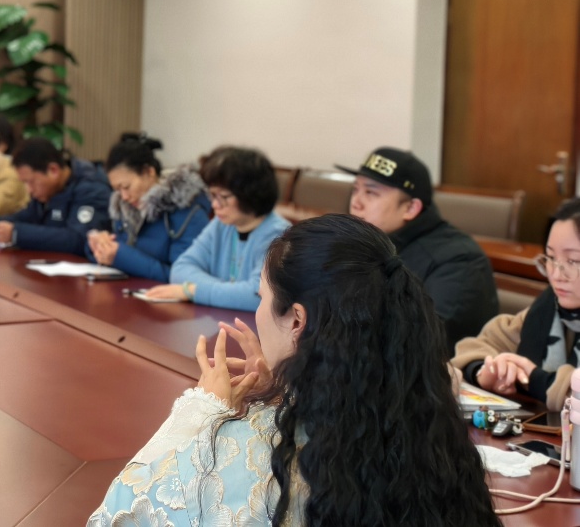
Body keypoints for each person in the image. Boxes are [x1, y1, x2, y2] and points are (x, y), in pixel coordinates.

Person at [89, 214, 500, 527]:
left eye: (261, 297)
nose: (257, 312)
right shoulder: (429, 430)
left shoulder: (240, 451)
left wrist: (198, 413)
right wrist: (289, 390)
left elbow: (116, 516)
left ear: (297, 320)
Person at [339, 146, 497, 352]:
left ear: (411, 208)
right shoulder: (364, 242)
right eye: (355, 189)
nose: (356, 203)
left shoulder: (460, 261)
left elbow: (426, 342)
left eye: (371, 192)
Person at [453, 197, 580, 411]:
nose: (557, 275)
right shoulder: (550, 308)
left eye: (573, 261)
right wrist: (486, 371)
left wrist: (535, 380)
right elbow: (480, 344)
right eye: (550, 258)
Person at [145, 146, 289, 310]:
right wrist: (230, 293)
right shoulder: (221, 225)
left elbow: (259, 296)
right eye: (212, 195)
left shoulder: (279, 236)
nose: (214, 205)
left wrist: (192, 291)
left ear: (250, 194)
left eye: (224, 197)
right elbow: (180, 269)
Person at [86, 134, 211, 282]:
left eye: (126, 187)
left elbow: (184, 277)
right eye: (117, 190)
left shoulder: (187, 211)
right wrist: (98, 245)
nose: (124, 196)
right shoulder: (123, 208)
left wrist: (121, 256)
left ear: (149, 172)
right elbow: (113, 253)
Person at [0, 138, 111, 255]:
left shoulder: (93, 189)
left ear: (53, 170)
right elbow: (27, 217)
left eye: (31, 182)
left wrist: (17, 234)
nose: (29, 190)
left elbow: (79, 239)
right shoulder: (48, 190)